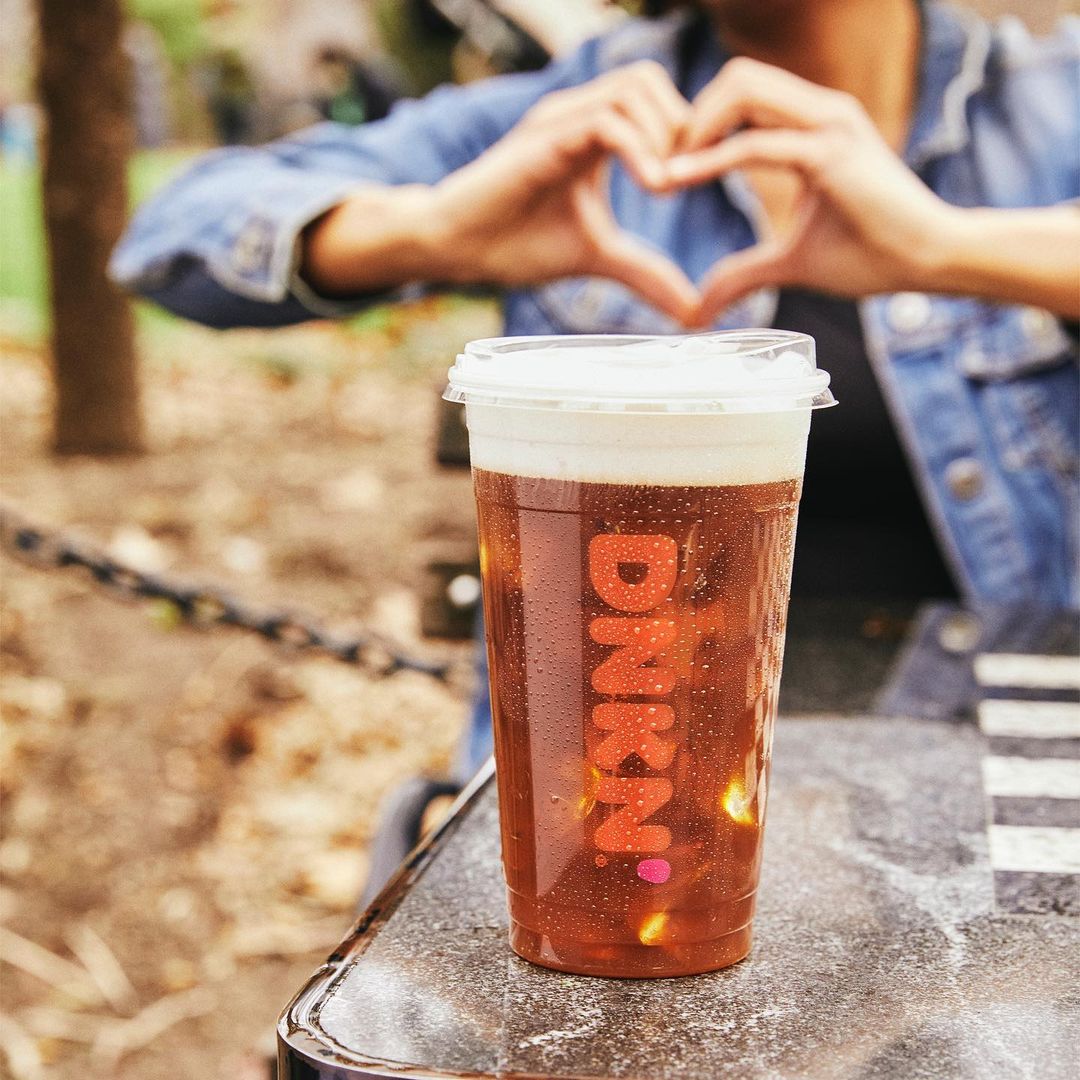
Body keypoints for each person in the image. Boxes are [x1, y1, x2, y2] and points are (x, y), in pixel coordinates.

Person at [112, 0, 1079, 773]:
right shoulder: (576, 114)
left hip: (996, 768)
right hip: (622, 791)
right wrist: (433, 229)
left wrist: (950, 248)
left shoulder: (1048, 103)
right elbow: (173, 237)